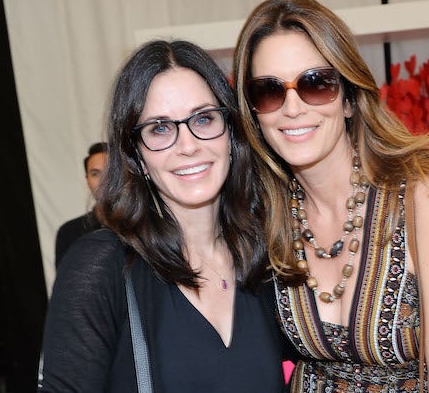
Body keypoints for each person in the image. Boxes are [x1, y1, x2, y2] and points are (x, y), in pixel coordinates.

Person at [233, 0, 429, 393]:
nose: (292, 108)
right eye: (269, 91)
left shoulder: (426, 193)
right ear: (253, 112)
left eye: (316, 83)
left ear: (350, 98)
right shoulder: (264, 209)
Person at [38, 40, 286, 392]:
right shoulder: (101, 266)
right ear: (137, 155)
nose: (188, 145)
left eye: (203, 119)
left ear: (231, 134)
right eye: (160, 128)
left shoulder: (264, 260)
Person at [54, 141, 108, 267]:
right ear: (87, 180)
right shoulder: (69, 232)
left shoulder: (142, 225)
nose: (103, 180)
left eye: (110, 171)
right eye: (95, 174)